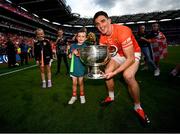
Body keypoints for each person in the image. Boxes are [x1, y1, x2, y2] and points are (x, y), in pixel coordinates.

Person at [93, 11, 150, 124]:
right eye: (97, 24)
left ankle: (138, 107)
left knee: (128, 76)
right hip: (119, 54)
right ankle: (111, 96)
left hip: (133, 54)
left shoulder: (123, 31)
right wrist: (98, 64)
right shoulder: (102, 38)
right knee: (107, 70)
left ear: (109, 21)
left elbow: (130, 59)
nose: (100, 25)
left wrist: (115, 73)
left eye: (103, 21)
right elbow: (108, 56)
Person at [68, 30, 87, 104]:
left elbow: (86, 57)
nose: (81, 38)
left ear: (85, 38)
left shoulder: (85, 46)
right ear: (76, 37)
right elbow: (69, 56)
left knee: (81, 83)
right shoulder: (73, 46)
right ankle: (74, 96)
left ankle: (82, 95)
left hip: (81, 67)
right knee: (74, 83)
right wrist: (72, 53)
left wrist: (80, 54)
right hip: (74, 67)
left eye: (83, 36)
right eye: (79, 36)